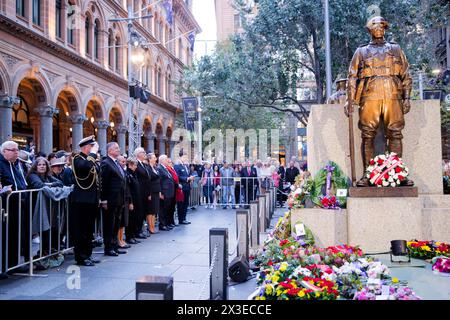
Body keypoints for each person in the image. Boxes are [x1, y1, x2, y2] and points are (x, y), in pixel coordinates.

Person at [346, 16, 413, 187]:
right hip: (370, 94)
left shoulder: (396, 49)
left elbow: (406, 74)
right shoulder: (361, 51)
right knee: (367, 134)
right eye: (375, 27)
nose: (379, 30)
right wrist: (350, 100)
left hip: (392, 93)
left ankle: (398, 174)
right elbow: (352, 76)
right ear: (369, 30)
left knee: (395, 133)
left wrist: (406, 97)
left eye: (382, 27)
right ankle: (368, 175)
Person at [0, 141, 30, 276]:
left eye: (17, 150)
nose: (16, 153)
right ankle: (2, 266)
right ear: (4, 151)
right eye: (13, 150)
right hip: (6, 205)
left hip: (19, 203)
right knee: (5, 236)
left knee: (17, 234)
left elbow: (21, 182)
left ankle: (13, 264)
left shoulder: (17, 164)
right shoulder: (1, 164)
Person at [71, 136, 101, 266]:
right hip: (81, 200)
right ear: (86, 147)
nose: (94, 149)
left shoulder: (91, 160)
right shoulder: (77, 159)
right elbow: (85, 167)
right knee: (81, 230)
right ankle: (81, 257)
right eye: (92, 147)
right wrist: (93, 153)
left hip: (91, 199)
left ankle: (88, 255)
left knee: (89, 230)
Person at [100, 142, 128, 256]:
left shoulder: (115, 163)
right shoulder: (106, 163)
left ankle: (114, 245)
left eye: (118, 147)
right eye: (116, 148)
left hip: (119, 199)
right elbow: (104, 183)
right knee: (109, 224)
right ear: (109, 150)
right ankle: (108, 247)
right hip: (110, 199)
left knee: (116, 224)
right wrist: (104, 199)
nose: (118, 149)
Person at [134, 148, 152, 238]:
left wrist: (148, 193)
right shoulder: (136, 164)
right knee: (139, 213)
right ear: (138, 154)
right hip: (139, 193)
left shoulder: (143, 164)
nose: (145, 154)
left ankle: (140, 230)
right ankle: (137, 231)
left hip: (144, 193)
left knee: (143, 212)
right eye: (143, 152)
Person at [125, 158, 141, 244]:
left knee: (135, 218)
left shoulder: (134, 174)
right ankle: (129, 237)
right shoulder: (128, 174)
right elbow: (128, 189)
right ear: (130, 165)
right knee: (131, 219)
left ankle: (133, 235)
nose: (136, 167)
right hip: (131, 200)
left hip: (137, 199)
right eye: (135, 165)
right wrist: (130, 202)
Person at [158, 155, 175, 231]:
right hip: (164, 192)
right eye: (166, 159)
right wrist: (160, 192)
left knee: (167, 209)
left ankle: (166, 223)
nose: (167, 161)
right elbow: (159, 181)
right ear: (162, 160)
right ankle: (162, 224)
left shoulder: (165, 169)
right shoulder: (160, 168)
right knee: (163, 209)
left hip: (169, 192)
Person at [174, 155, 193, 224]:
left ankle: (184, 218)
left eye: (186, 157)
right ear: (180, 158)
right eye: (184, 157)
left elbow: (189, 174)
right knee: (181, 204)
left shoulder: (187, 166)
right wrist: (186, 179)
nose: (186, 159)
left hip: (187, 187)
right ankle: (180, 219)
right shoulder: (177, 166)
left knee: (186, 203)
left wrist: (191, 177)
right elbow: (177, 176)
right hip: (181, 188)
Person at [167, 158, 183, 227]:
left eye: (171, 162)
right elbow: (172, 179)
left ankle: (172, 221)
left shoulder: (172, 169)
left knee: (172, 207)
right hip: (172, 189)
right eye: (169, 162)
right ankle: (169, 222)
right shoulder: (168, 169)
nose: (171, 164)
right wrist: (177, 185)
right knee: (170, 208)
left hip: (175, 189)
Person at [147, 153, 161, 233]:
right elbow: (148, 181)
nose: (156, 158)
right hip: (151, 191)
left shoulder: (155, 167)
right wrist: (149, 193)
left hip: (156, 191)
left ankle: (153, 226)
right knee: (150, 210)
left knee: (154, 210)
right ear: (150, 159)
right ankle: (150, 227)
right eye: (154, 157)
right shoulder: (148, 168)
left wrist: (159, 191)